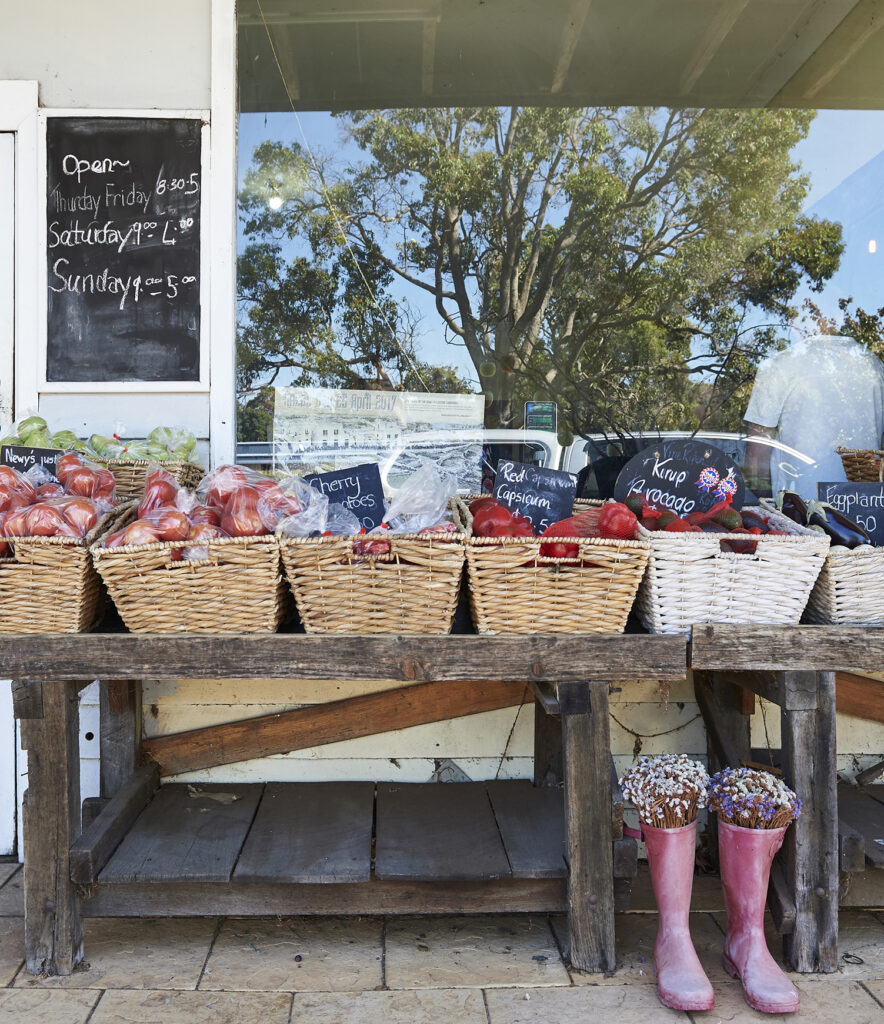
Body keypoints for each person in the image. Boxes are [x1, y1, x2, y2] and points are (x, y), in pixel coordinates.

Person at [743, 333, 884, 500]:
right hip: (864, 509)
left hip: (798, 512)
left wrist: (770, 509)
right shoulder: (875, 367)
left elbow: (757, 458)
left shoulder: (781, 364)